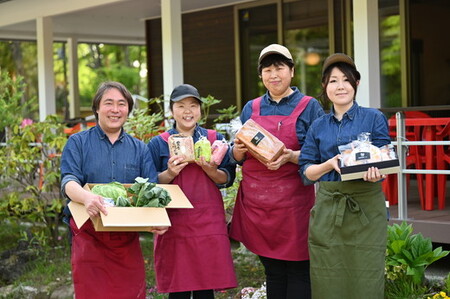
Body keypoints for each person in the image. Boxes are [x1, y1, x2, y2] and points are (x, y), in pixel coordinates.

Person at [229, 44, 325, 299]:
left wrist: (291, 156)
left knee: (298, 270)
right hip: (259, 204)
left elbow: (321, 155)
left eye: (279, 68)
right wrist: (237, 150)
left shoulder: (310, 106)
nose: (274, 74)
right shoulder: (251, 108)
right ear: (261, 75)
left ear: (292, 71)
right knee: (272, 270)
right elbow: (238, 157)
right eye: (268, 69)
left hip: (294, 206)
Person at [299, 53, 391, 299]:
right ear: (325, 86)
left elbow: (384, 157)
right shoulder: (318, 125)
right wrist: (329, 164)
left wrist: (375, 173)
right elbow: (306, 172)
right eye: (333, 81)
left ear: (356, 83)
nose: (340, 86)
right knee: (327, 276)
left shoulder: (374, 118)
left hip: (366, 210)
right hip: (329, 208)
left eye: (345, 80)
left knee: (367, 276)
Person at [60, 81, 164, 299]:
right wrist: (87, 197)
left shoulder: (140, 149)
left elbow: (149, 190)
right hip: (89, 235)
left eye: (121, 104)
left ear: (128, 109)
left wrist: (156, 217)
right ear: (97, 107)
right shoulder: (77, 142)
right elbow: (68, 181)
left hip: (125, 240)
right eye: (109, 103)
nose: (115, 110)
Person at [147, 84, 237, 299]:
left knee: (206, 287)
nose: (188, 111)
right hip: (174, 223)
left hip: (207, 220)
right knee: (178, 288)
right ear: (171, 111)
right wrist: (170, 173)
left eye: (193, 105)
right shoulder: (158, 143)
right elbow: (151, 183)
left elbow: (227, 178)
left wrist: (211, 171)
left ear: (199, 109)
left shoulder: (214, 139)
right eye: (181, 106)